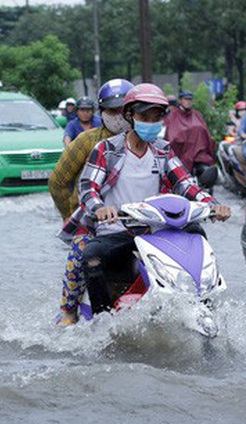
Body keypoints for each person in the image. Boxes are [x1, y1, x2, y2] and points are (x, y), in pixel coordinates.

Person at [61, 83, 231, 316]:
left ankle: (206, 307)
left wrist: (212, 204)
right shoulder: (106, 149)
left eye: (156, 118)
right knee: (91, 258)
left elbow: (185, 184)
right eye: (144, 116)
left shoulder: (163, 150)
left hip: (156, 230)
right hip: (117, 230)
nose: (150, 123)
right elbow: (88, 187)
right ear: (129, 115)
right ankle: (102, 322)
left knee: (197, 234)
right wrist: (100, 208)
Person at [49, 78, 134, 326]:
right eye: (112, 110)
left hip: (136, 219)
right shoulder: (87, 141)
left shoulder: (147, 143)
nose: (118, 116)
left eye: (123, 110)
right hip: (94, 221)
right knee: (79, 256)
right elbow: (57, 182)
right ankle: (69, 313)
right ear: (102, 112)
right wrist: (71, 214)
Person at [163, 89, 218, 190]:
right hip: (181, 154)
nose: (188, 101)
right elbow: (172, 135)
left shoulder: (197, 115)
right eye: (185, 99)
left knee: (208, 173)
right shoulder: (173, 115)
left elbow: (205, 132)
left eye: (190, 99)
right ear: (181, 100)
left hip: (199, 155)